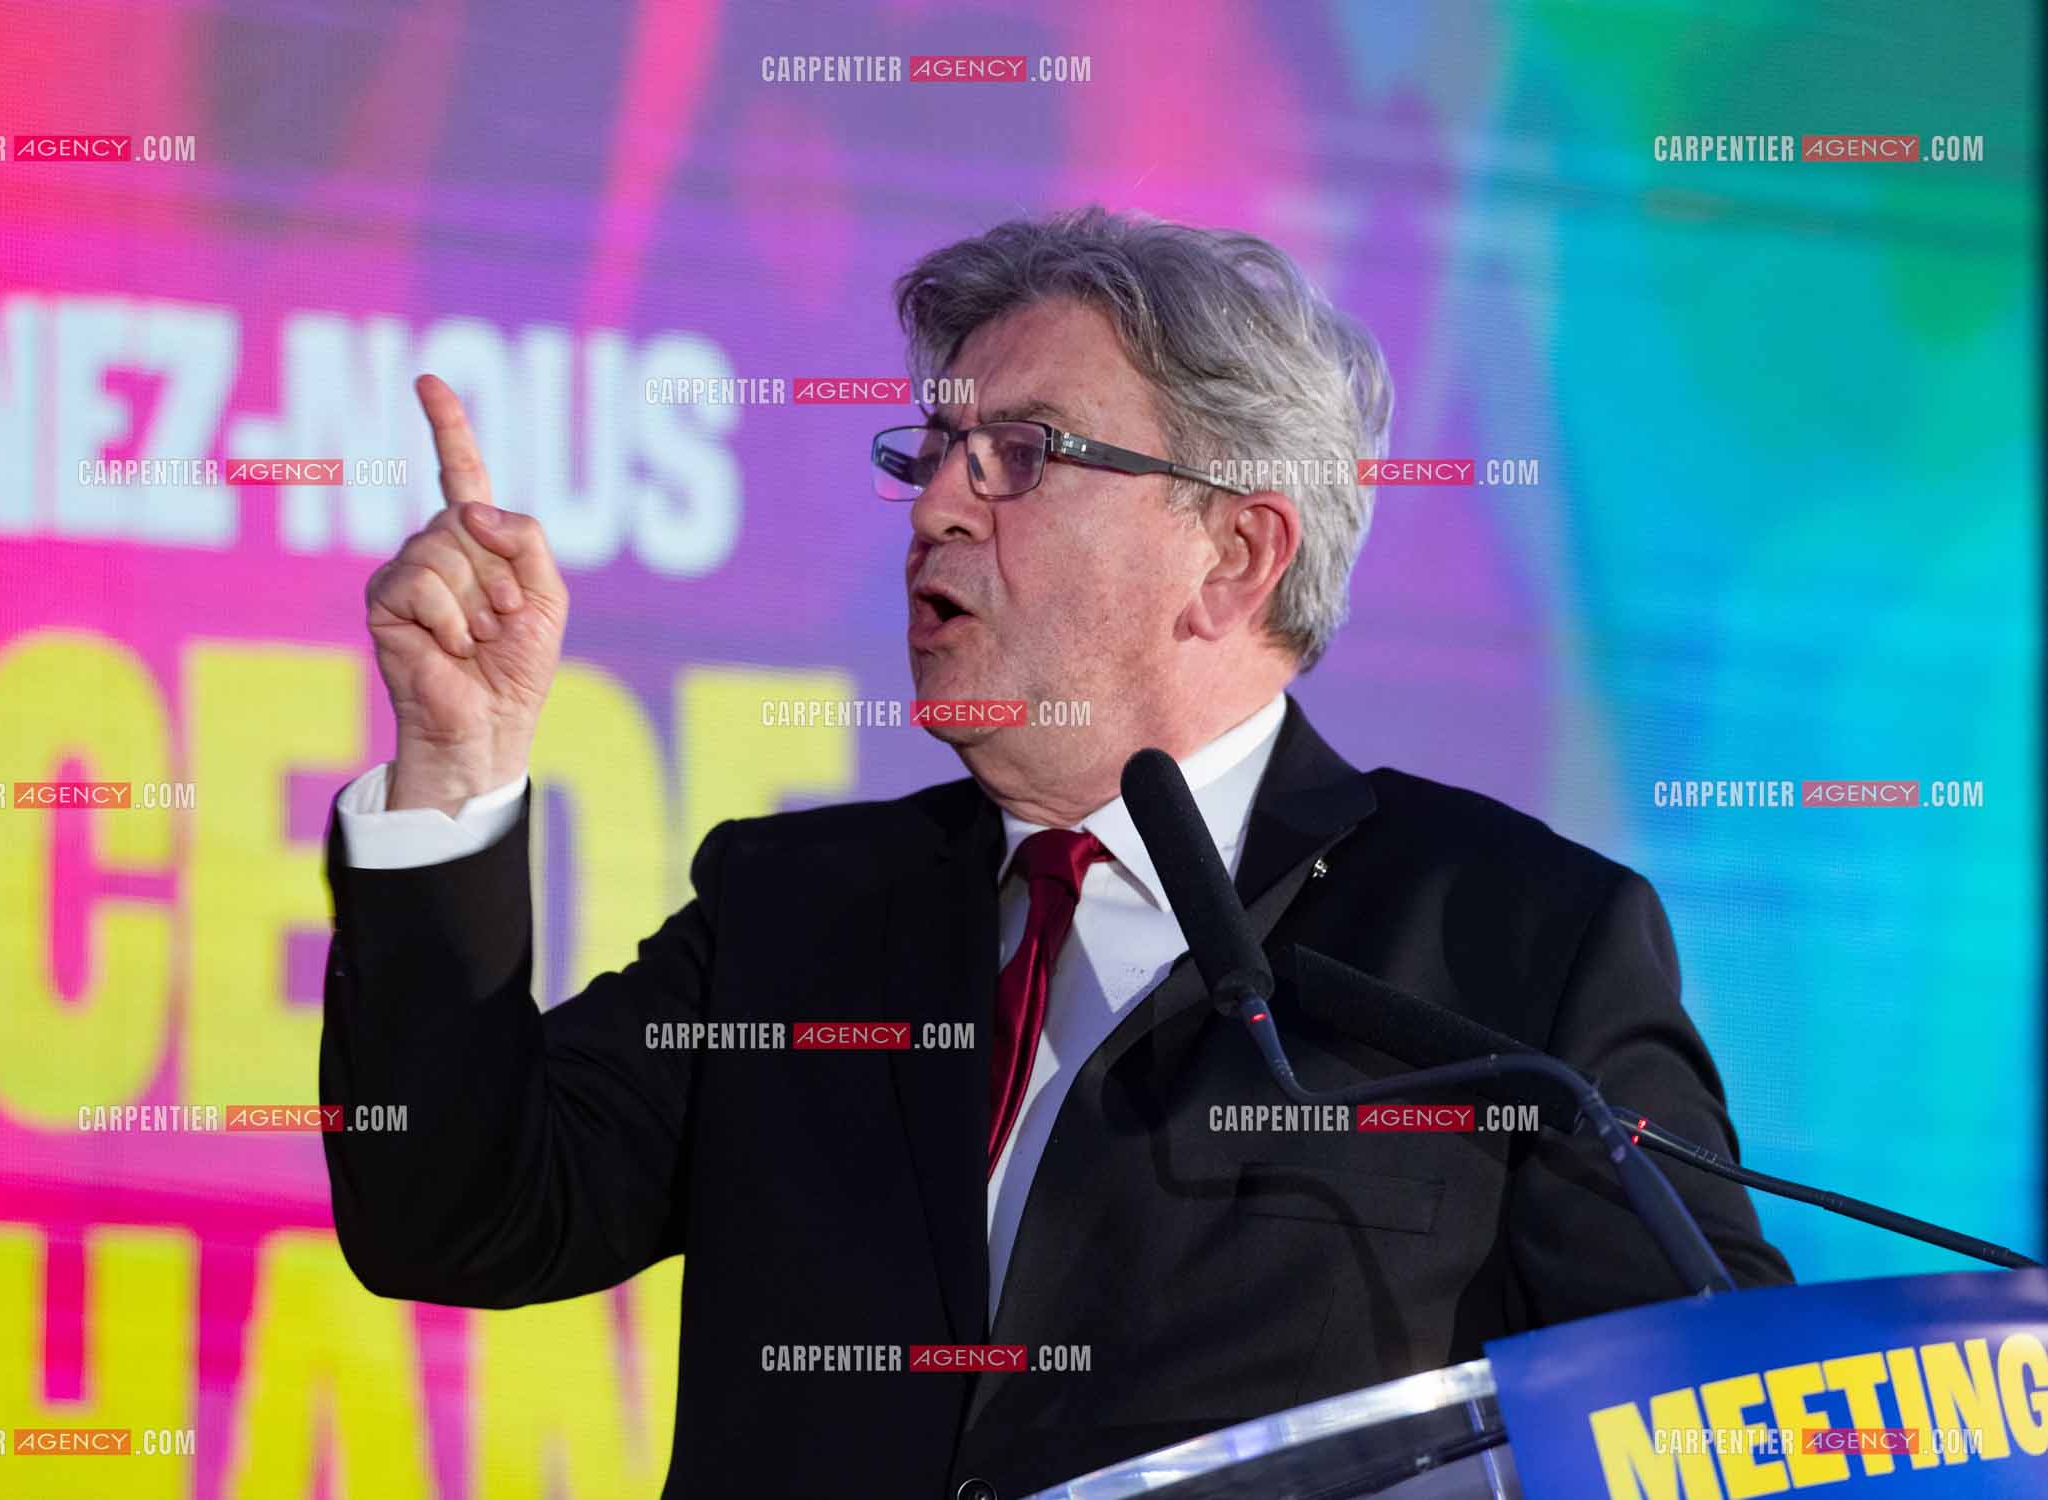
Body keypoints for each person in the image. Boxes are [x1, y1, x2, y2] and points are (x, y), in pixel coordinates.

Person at [320, 206, 1790, 1500]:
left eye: (1019, 455)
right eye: (933, 451)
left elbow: (1714, 1419)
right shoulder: (799, 911)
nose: (935, 504)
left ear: (1233, 553)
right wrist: (457, 761)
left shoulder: (1510, 940)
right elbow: (458, 1218)